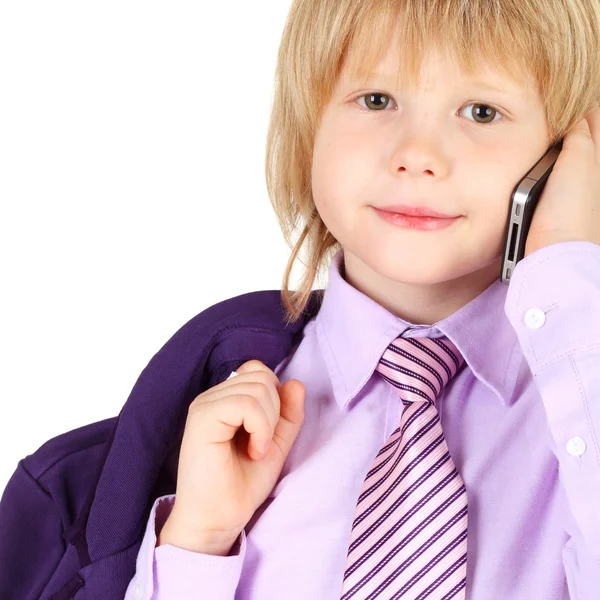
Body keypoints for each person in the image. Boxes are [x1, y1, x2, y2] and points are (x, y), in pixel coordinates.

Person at [1, 0, 599, 599]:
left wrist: (573, 280)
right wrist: (195, 546)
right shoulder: (146, 457)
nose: (417, 155)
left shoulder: (578, 412)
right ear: (308, 121)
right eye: (376, 100)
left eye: (481, 111)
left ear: (572, 155)